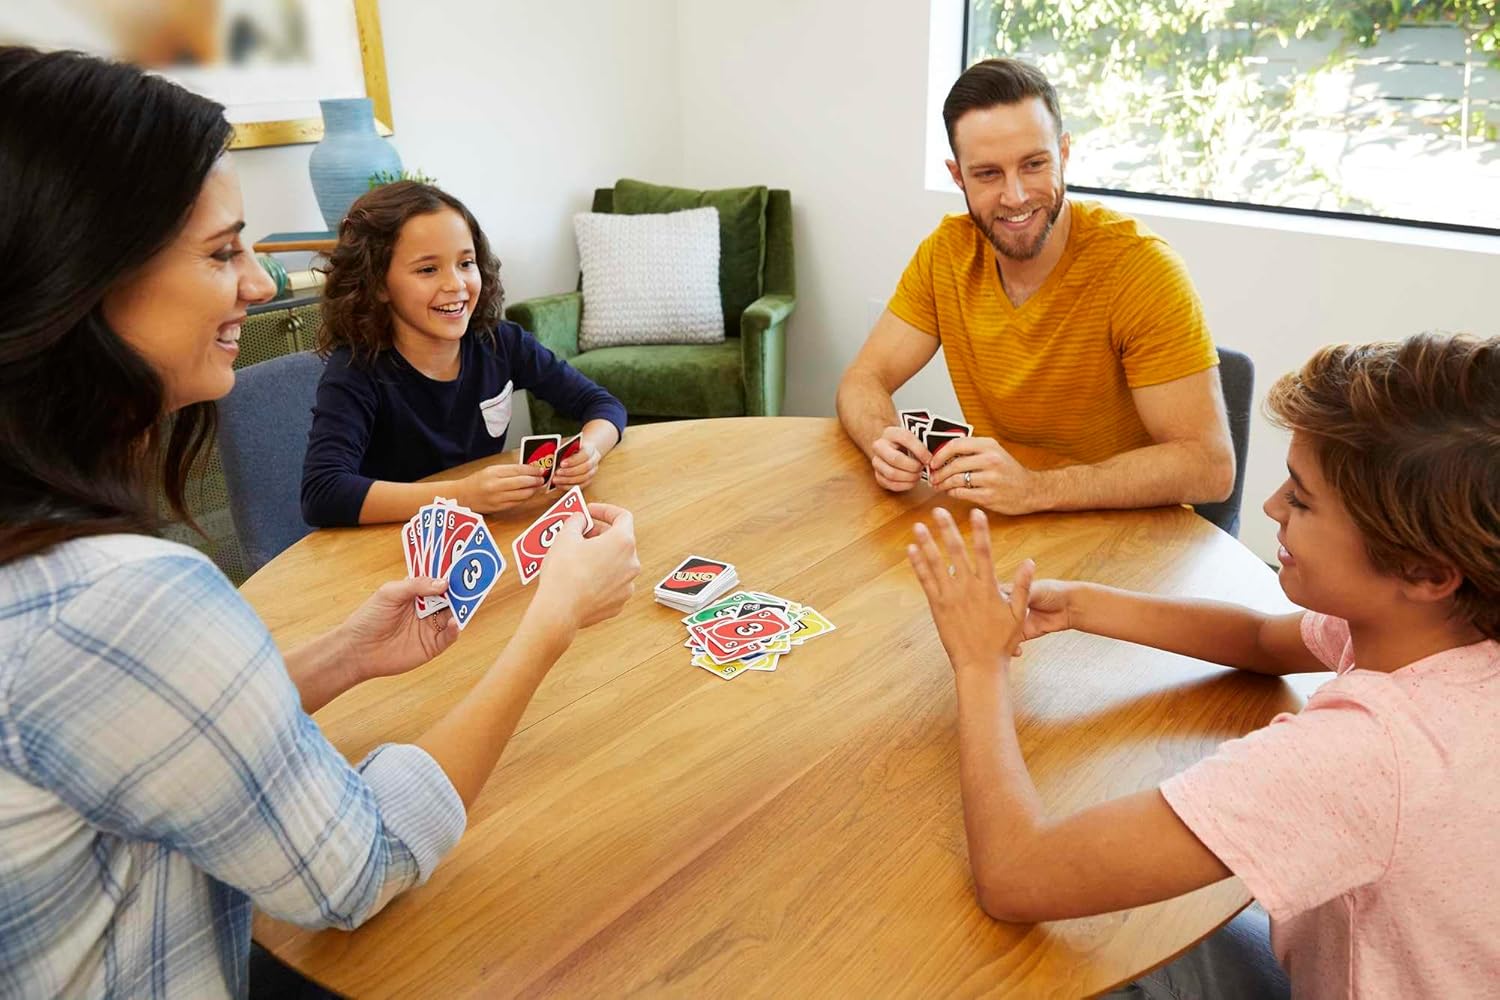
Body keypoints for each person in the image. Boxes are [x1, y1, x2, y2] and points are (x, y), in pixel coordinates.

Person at [0, 47, 640, 999]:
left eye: (465, 263)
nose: (260, 285)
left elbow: (141, 742)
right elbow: (361, 866)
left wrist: (337, 657)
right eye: (224, 253)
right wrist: (553, 615)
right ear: (78, 279)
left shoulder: (502, 342)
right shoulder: (125, 597)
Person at [906, 331, 1500, 997]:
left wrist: (979, 665)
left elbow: (1016, 877)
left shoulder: (1371, 755)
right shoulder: (1448, 628)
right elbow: (1258, 641)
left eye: (1301, 500)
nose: (1271, 506)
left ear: (1426, 571)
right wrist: (1080, 606)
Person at [838, 58, 1234, 516]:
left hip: (1131, 537)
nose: (1016, 196)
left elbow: (1210, 467)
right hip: (1009, 524)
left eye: (1033, 164)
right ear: (957, 176)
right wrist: (881, 442)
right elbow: (862, 379)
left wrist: (1035, 489)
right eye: (988, 174)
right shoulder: (946, 252)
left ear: (1063, 154)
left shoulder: (1140, 268)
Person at [301, 181, 626, 527]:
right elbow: (322, 493)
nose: (456, 284)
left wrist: (589, 449)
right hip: (394, 553)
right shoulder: (355, 370)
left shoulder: (501, 342)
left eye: (466, 263)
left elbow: (604, 405)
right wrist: (461, 495)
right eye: (428, 269)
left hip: (484, 537)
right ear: (378, 284)